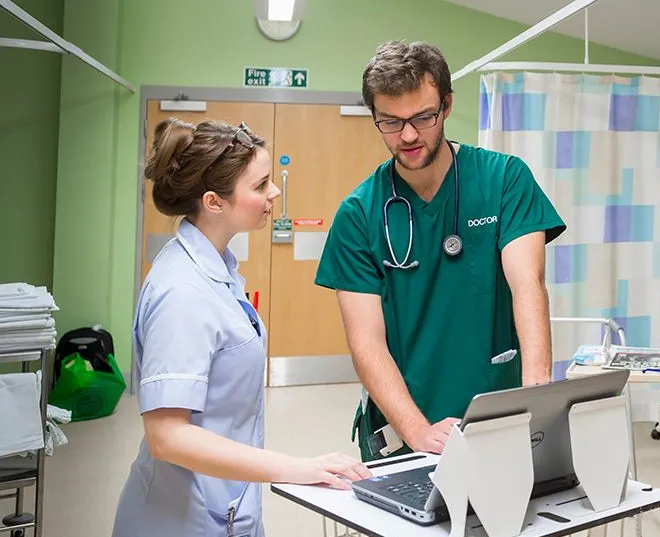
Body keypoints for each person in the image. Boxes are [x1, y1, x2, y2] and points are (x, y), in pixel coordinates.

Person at [112, 118, 373, 537]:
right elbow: (166, 436)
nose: (274, 193)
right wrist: (296, 469)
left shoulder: (218, 269)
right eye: (260, 185)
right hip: (178, 520)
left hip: (223, 505)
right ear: (214, 202)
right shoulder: (182, 292)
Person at [314, 40, 567, 461]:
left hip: (499, 416)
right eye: (390, 122)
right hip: (404, 429)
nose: (408, 135)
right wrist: (417, 430)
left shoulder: (504, 180)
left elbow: (528, 287)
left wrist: (536, 400)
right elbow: (367, 342)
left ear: (446, 105)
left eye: (423, 117)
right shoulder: (359, 213)